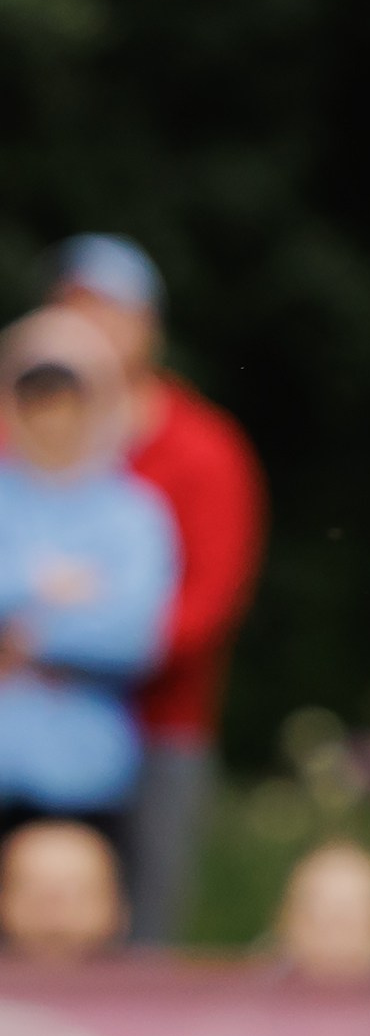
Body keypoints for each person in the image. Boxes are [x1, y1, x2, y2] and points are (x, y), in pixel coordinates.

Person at [47, 235, 267, 943]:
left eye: (110, 313)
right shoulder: (15, 435)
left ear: (149, 328)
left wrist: (73, 645)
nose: (93, 333)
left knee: (143, 934)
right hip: (29, 727)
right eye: (75, 312)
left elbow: (208, 604)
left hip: (158, 730)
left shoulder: (204, 448)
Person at [0, 308, 177, 854]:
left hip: (89, 776)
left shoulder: (134, 513)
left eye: (65, 398)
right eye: (36, 398)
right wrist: (59, 595)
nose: (51, 416)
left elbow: (135, 634)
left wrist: (28, 636)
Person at [0, 818, 127, 962]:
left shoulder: (149, 975)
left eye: (76, 894)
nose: (55, 915)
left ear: (118, 907)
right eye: (37, 896)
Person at [270, 839, 370, 980]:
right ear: (287, 921)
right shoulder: (248, 995)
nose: (338, 929)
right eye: (319, 913)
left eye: (354, 915)